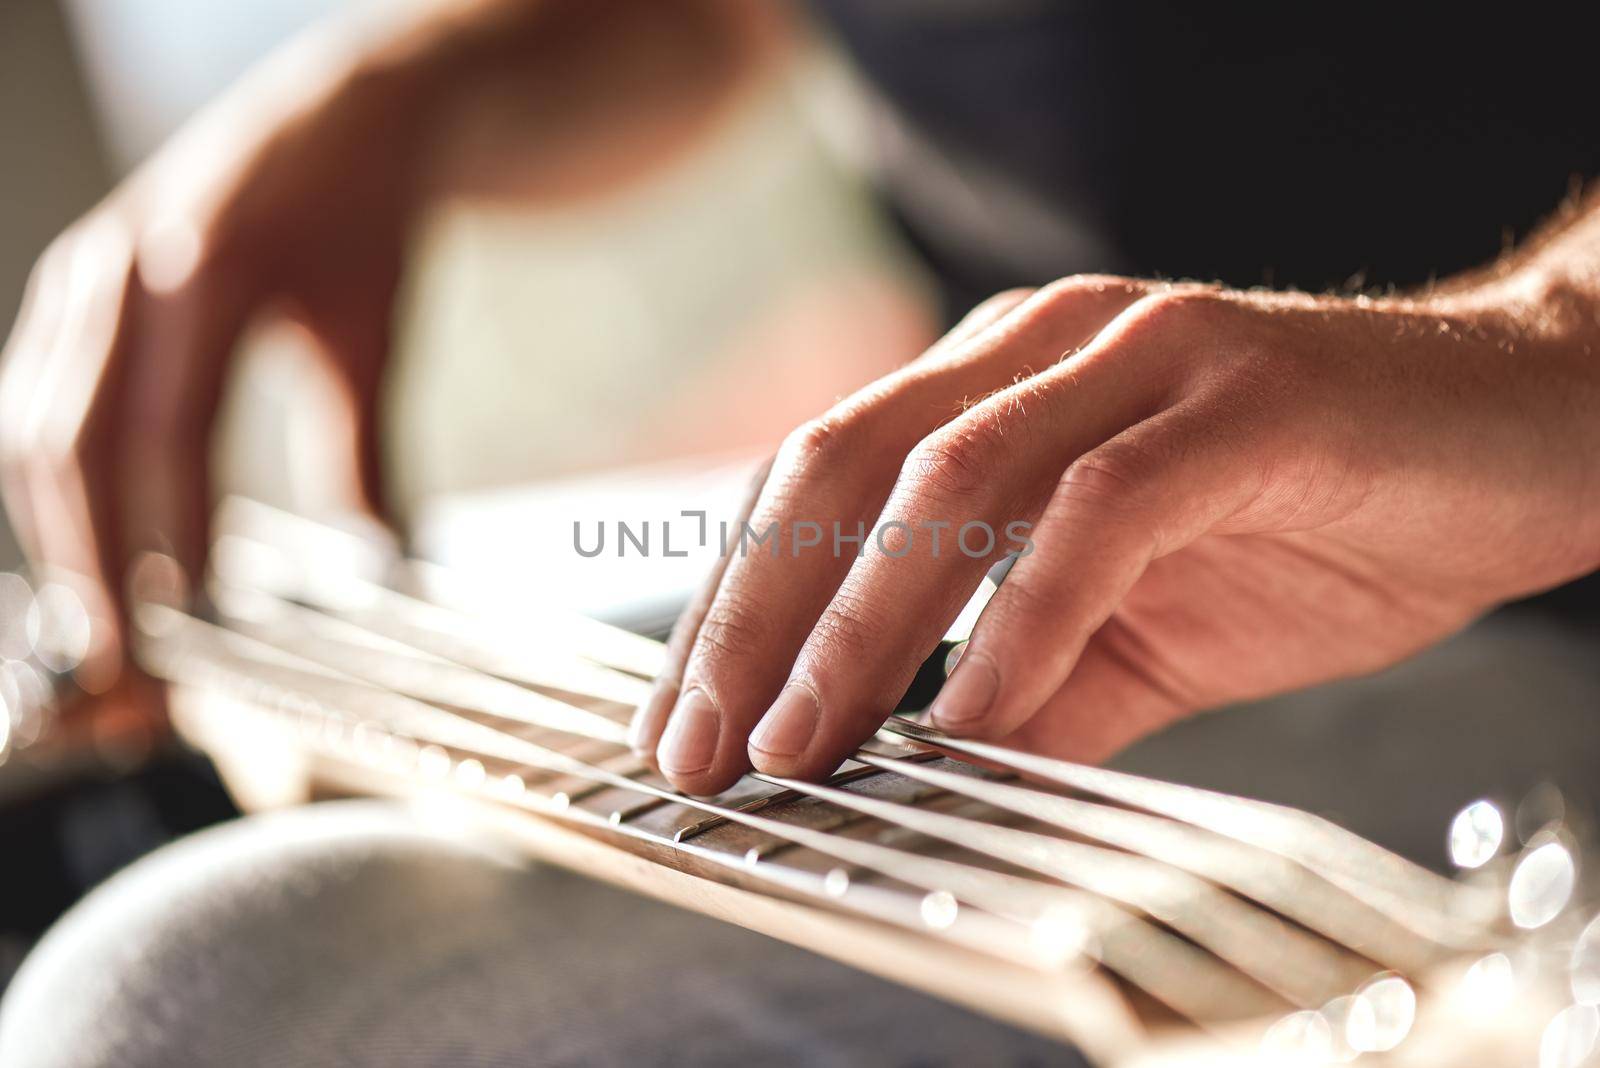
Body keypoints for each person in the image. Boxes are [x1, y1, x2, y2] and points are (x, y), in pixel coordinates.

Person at [3, 2, 1600, 1062]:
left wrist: (1546, 350)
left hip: (1527, 558)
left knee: (184, 1011)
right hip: (1017, 544)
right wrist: (414, 92)